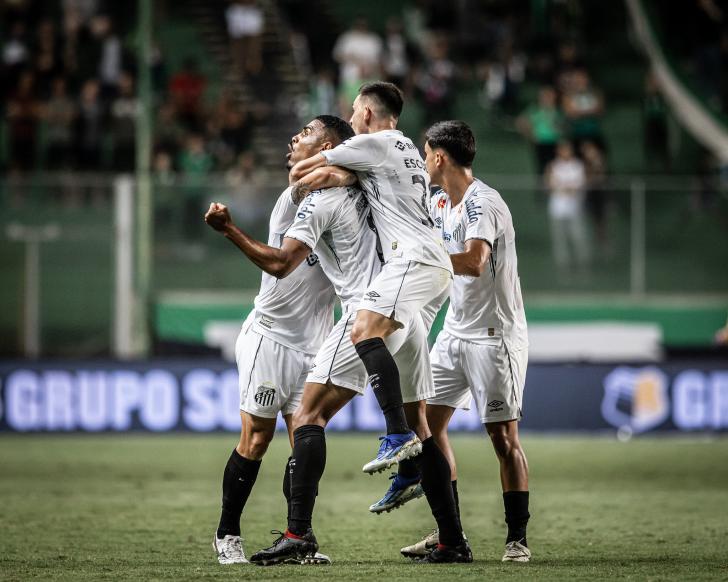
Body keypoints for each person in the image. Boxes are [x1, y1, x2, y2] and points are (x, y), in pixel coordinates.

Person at [286, 82, 467, 563]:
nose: (351, 113)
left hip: (408, 267)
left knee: (358, 337)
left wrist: (321, 172)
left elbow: (307, 170)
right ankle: (452, 538)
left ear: (365, 113)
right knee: (422, 419)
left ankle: (393, 440)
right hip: (427, 282)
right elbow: (346, 173)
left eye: (352, 110)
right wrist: (344, 175)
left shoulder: (372, 144)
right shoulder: (407, 147)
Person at [377, 120, 532, 563]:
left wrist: (424, 257)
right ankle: (450, 534)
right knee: (427, 427)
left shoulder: (484, 203)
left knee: (503, 439)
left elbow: (476, 262)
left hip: (494, 336)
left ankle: (516, 540)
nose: (424, 161)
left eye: (426, 154)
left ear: (439, 157)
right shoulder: (440, 201)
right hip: (453, 333)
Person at [204, 118, 346, 567]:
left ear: (327, 145)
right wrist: (229, 229)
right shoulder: (299, 197)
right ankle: (227, 533)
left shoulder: (346, 201)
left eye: (304, 132)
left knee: (305, 437)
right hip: (271, 337)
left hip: (316, 342)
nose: (293, 138)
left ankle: (298, 537)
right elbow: (280, 263)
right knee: (257, 438)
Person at [545, 141, 590, 274]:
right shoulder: (553, 166)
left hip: (575, 209)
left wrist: (564, 187)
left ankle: (583, 266)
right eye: (562, 150)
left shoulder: (577, 166)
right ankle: (563, 268)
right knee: (560, 240)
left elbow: (579, 185)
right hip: (557, 209)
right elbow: (550, 184)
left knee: (578, 237)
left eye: (567, 149)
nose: (565, 152)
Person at [516, 85, 563, 176]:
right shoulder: (534, 110)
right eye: (545, 96)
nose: (547, 98)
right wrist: (530, 135)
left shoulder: (557, 111)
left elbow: (563, 126)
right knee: (541, 167)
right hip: (540, 143)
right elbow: (521, 122)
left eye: (549, 96)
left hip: (554, 143)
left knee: (555, 167)